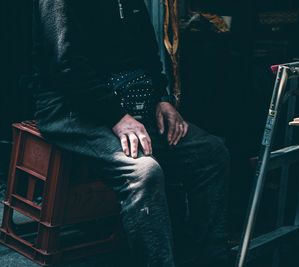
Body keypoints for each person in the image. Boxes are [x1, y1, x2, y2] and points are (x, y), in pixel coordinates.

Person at [31, 0, 230, 266]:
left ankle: (209, 258)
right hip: (70, 106)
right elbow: (66, 66)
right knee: (144, 172)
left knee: (211, 152)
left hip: (127, 103)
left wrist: (162, 98)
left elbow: (147, 53)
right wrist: (116, 117)